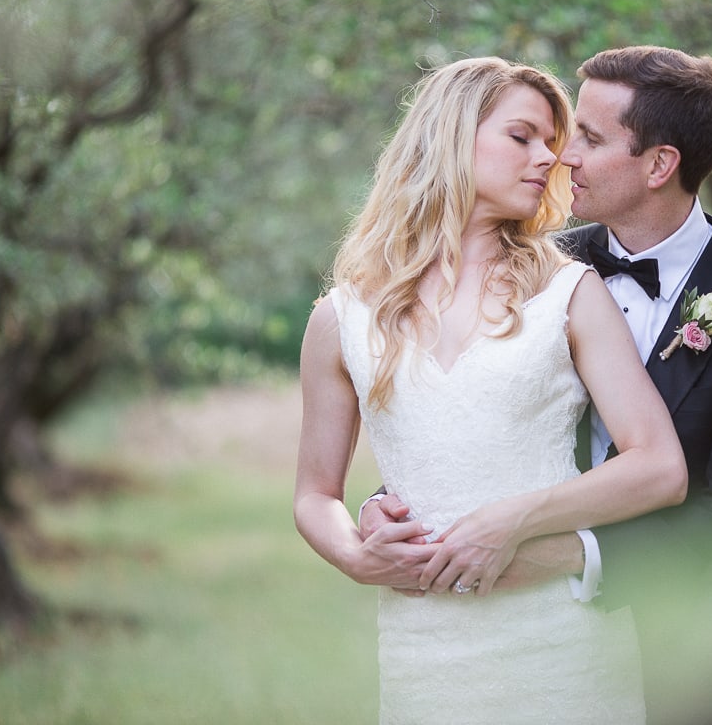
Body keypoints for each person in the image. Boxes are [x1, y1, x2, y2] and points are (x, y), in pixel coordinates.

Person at [363, 46, 712, 725]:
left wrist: (572, 557)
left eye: (590, 139)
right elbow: (472, 407)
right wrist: (389, 501)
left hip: (686, 659)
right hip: (529, 649)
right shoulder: (536, 269)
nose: (560, 156)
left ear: (660, 165)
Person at [293, 56, 689, 724]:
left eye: (553, 141)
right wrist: (357, 557)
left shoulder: (569, 293)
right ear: (451, 136)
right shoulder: (340, 317)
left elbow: (660, 467)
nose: (550, 159)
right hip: (426, 655)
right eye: (523, 136)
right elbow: (314, 495)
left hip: (562, 648)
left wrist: (515, 520)